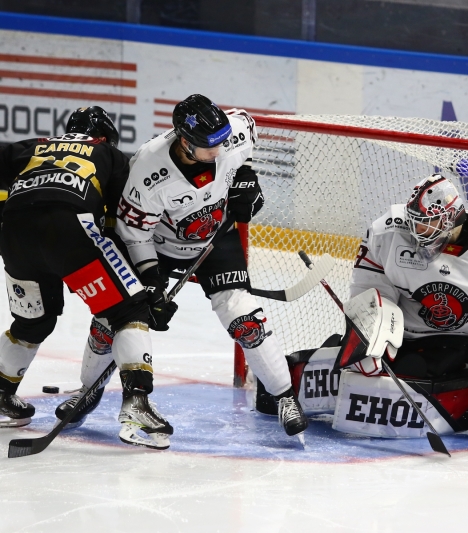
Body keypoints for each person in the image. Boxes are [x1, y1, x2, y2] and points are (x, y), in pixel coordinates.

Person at [65, 94, 308, 438]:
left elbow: (246, 137)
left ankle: (284, 397)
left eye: (224, 142)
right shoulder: (148, 167)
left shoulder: (233, 134)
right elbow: (135, 234)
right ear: (185, 142)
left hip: (216, 238)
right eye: (210, 147)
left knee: (246, 321)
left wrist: (247, 179)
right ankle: (87, 390)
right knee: (113, 319)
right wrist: (151, 283)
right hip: (158, 247)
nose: (220, 151)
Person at [253, 174, 468, 436]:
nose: (417, 229)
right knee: (361, 367)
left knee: (416, 372)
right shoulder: (387, 233)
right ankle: (319, 362)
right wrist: (367, 336)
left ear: (452, 218)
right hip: (399, 334)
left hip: (456, 340)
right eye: (415, 220)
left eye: (427, 222)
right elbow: (369, 294)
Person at [0, 106, 173, 449]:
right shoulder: (109, 153)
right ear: (107, 134)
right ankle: (136, 402)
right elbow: (122, 222)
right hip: (70, 232)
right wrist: (145, 284)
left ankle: (1, 392)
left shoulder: (29, 146)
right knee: (129, 311)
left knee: (33, 321)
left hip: (13, 236)